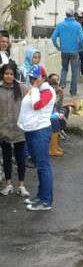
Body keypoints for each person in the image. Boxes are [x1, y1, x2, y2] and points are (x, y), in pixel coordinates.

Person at [18, 65, 56, 211]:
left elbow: (37, 105)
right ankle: (41, 196)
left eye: (35, 78)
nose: (32, 80)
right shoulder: (37, 90)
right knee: (39, 166)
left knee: (42, 166)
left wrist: (34, 87)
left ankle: (45, 201)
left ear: (42, 78)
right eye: (31, 78)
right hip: (31, 131)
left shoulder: (46, 91)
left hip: (40, 131)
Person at [0, 64, 29, 197]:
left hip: (19, 130)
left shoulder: (22, 88)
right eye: (6, 74)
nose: (9, 76)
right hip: (3, 131)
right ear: (2, 74)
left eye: (11, 74)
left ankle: (21, 186)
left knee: (21, 158)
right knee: (6, 159)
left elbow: (31, 104)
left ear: (14, 75)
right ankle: (8, 184)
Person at [50, 8, 83, 96]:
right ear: (73, 15)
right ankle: (73, 91)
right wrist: (81, 46)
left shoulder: (60, 25)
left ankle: (61, 87)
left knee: (64, 69)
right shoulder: (77, 25)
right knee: (74, 71)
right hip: (74, 51)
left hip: (64, 50)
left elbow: (53, 38)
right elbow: (82, 38)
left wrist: (58, 47)